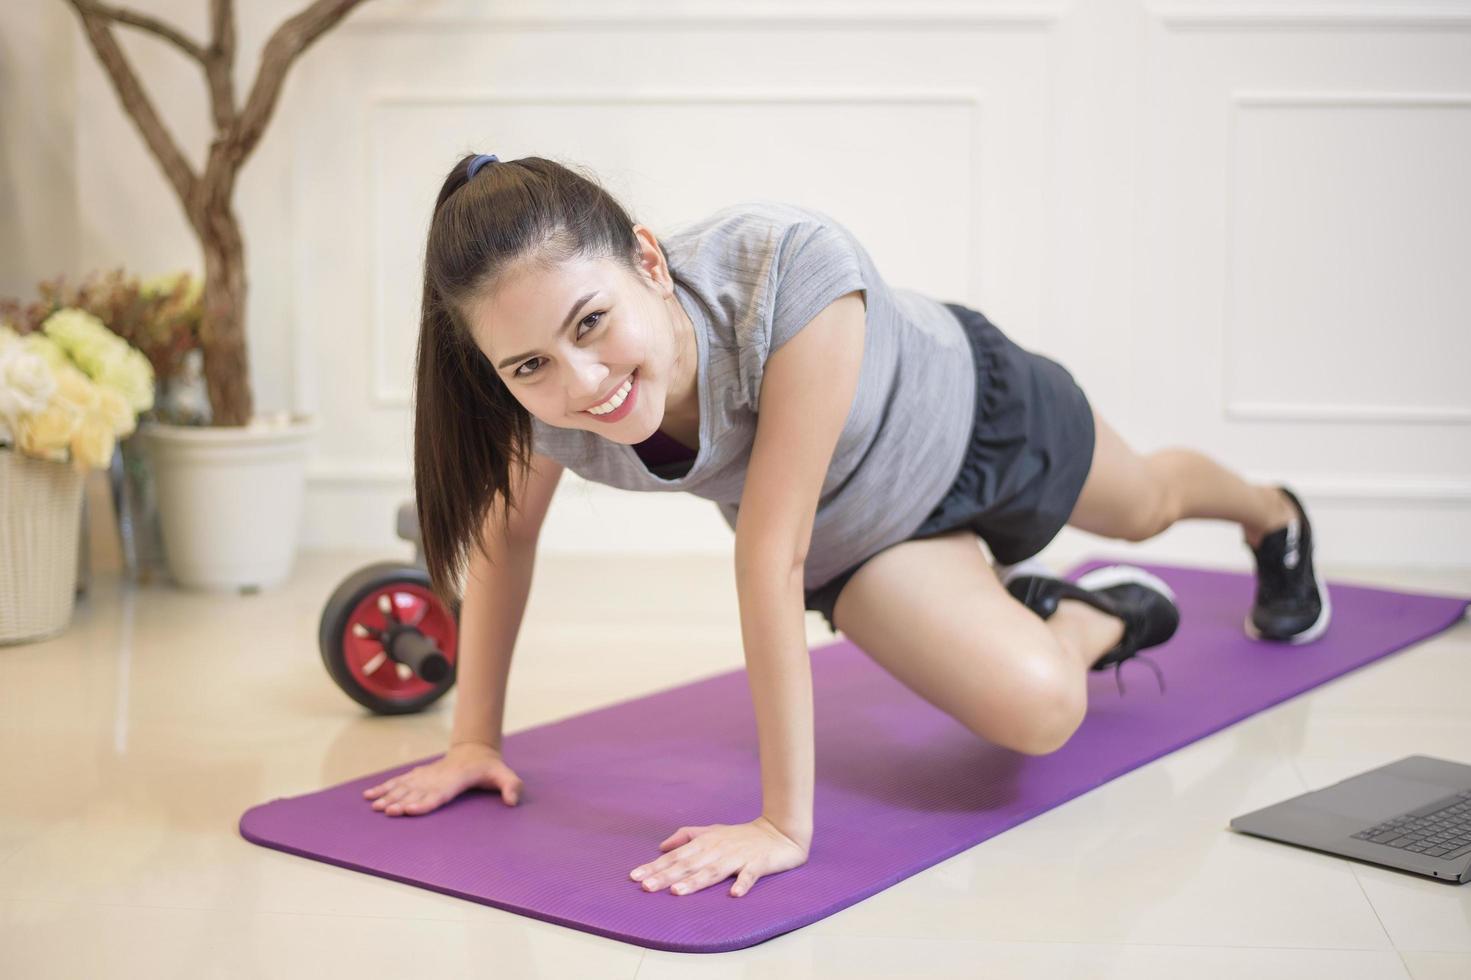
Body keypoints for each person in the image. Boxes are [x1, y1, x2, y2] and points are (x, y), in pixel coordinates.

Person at [362, 152, 1331, 900]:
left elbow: (768, 555)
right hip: (868, 541)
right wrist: (472, 739)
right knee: (1040, 710)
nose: (581, 383)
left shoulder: (787, 268)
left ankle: (1271, 514)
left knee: (1147, 504)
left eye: (588, 323)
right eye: (527, 363)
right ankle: (1089, 615)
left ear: (648, 262)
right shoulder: (536, 407)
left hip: (976, 416)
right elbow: (506, 538)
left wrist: (784, 823)